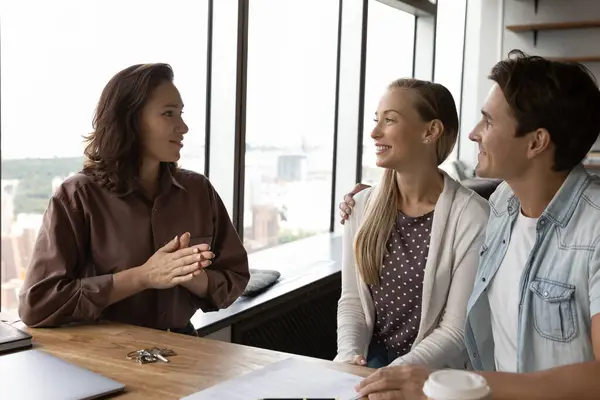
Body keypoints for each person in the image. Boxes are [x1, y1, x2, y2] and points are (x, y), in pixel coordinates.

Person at [344, 51, 600, 399]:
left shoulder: (593, 227)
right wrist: (365, 199)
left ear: (536, 142)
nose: (473, 134)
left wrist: (446, 383)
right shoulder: (502, 205)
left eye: (489, 122)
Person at [18, 63, 250, 335]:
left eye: (181, 113)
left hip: (185, 352)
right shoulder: (77, 196)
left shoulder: (198, 191)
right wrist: (143, 277)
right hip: (106, 359)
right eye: (168, 114)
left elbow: (235, 277)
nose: (183, 127)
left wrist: (191, 276)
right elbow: (37, 304)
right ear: (130, 120)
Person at [335, 78, 489, 369]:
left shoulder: (472, 217)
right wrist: (348, 358)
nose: (374, 132)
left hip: (435, 375)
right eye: (376, 119)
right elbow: (352, 301)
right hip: (370, 365)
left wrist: (393, 375)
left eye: (389, 120)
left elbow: (455, 331)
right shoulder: (360, 207)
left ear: (430, 131)